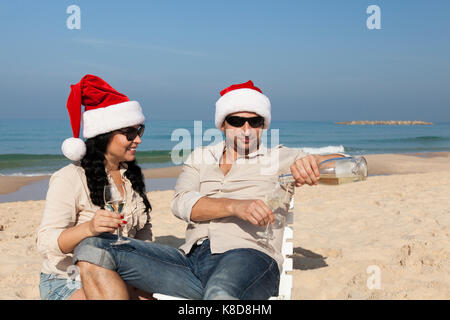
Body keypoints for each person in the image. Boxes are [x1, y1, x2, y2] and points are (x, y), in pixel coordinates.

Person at [73, 80, 344, 300]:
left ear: (264, 126)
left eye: (256, 122)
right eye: (237, 121)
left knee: (220, 293)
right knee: (94, 247)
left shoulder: (280, 158)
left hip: (249, 256)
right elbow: (180, 203)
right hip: (190, 260)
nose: (246, 130)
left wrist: (315, 162)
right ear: (224, 124)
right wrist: (234, 206)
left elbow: (348, 166)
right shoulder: (200, 157)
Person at [36, 74, 153, 300]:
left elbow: (144, 233)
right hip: (68, 280)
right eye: (130, 133)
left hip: (120, 276)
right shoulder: (70, 178)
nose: (138, 140)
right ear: (104, 136)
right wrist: (89, 228)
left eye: (139, 131)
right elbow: (46, 242)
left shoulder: (132, 177)